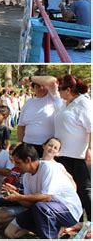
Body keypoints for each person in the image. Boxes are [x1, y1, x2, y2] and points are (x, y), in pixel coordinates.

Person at [3, 143, 83, 239]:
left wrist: (19, 196)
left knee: (41, 207)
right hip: (44, 209)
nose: (15, 165)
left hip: (69, 210)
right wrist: (15, 196)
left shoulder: (47, 167)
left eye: (18, 162)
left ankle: (52, 234)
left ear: (28, 160)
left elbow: (47, 197)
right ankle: (56, 229)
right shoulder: (26, 175)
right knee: (10, 232)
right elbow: (29, 204)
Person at [53, 74, 91, 222]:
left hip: (79, 155)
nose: (58, 93)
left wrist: (90, 149)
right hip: (63, 154)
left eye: (60, 89)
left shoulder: (83, 103)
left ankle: (91, 222)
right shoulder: (65, 103)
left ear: (68, 90)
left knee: (84, 189)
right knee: (70, 189)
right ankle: (77, 221)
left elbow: (91, 127)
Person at [17, 75, 63, 158]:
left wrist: (30, 78)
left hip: (46, 147)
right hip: (28, 145)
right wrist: (21, 143)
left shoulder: (54, 98)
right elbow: (21, 126)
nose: (41, 88)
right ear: (33, 88)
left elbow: (53, 80)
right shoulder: (28, 103)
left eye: (43, 86)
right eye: (38, 86)